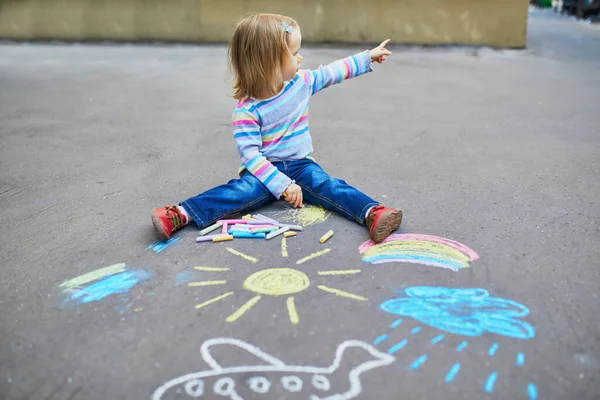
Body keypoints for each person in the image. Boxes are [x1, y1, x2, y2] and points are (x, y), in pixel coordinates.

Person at [152, 13, 402, 244]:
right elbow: (251, 156)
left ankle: (373, 212)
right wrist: (281, 185)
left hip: (300, 164)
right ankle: (179, 213)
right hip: (263, 172)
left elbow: (331, 72)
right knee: (240, 192)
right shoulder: (247, 111)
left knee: (327, 185)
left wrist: (367, 57)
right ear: (268, 62)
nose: (300, 58)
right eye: (294, 53)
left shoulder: (301, 82)